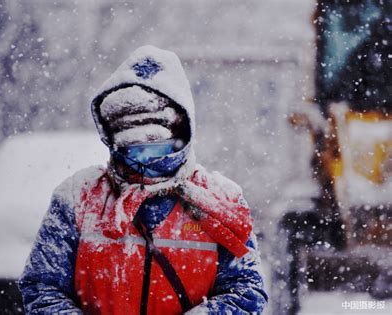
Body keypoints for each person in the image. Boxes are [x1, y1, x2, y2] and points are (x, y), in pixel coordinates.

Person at [19, 45, 268, 314]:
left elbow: (247, 291)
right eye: (132, 150)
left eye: (157, 148)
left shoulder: (222, 202)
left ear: (181, 138)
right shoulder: (76, 199)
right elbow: (42, 287)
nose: (144, 163)